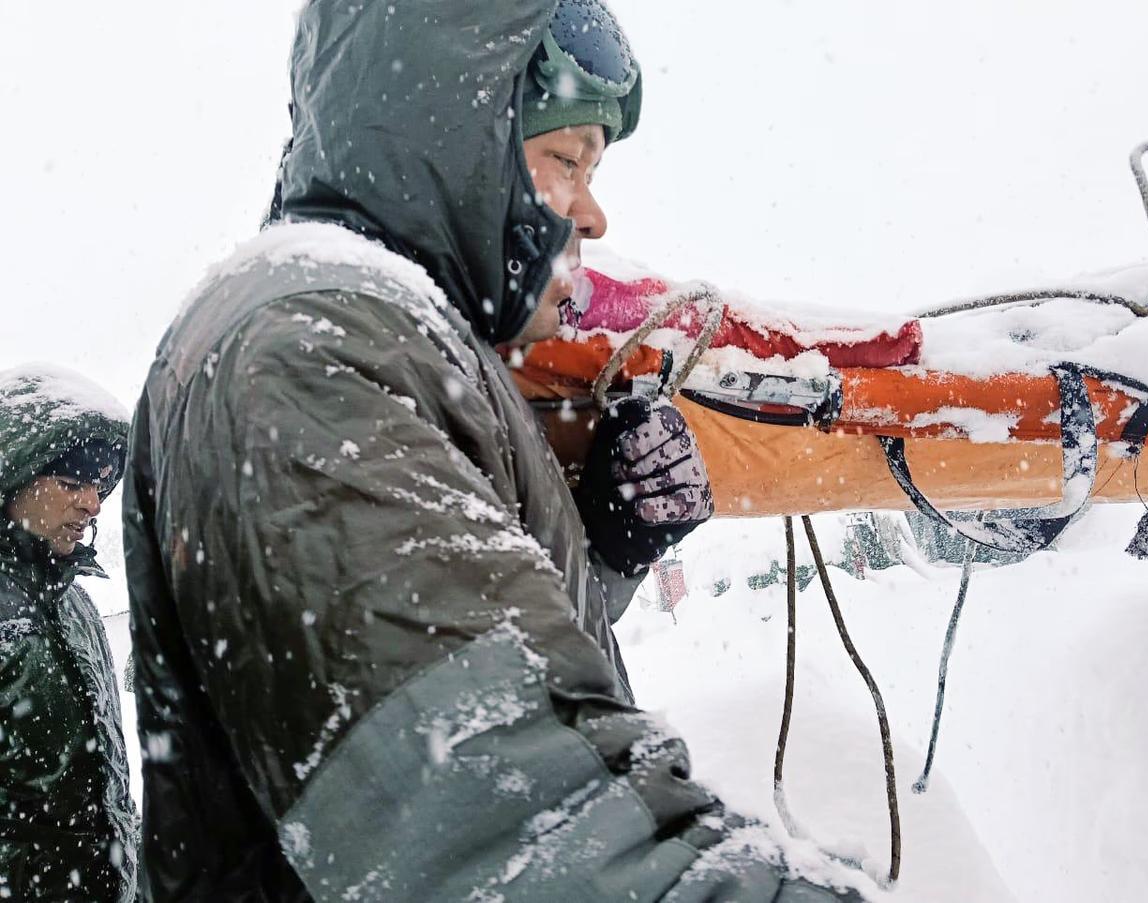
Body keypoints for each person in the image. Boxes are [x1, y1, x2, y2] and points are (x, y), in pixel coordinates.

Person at [124, 1, 863, 899]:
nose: (593, 215)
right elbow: (526, 830)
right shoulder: (310, 349)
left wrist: (601, 550)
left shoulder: (377, 332)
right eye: (567, 161)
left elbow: (450, 688)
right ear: (453, 136)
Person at [0, 365, 138, 902]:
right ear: (13, 476)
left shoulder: (76, 605)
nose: (92, 504)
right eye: (72, 483)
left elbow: (101, 775)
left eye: (100, 486)